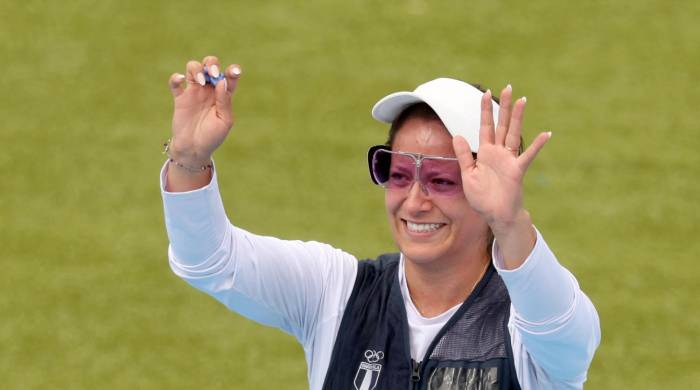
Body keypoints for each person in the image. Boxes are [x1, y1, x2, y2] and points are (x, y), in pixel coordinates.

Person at [161, 55, 601, 390]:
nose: (414, 201)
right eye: (398, 172)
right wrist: (189, 160)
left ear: (487, 191)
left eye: (441, 179)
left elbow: (564, 330)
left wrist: (510, 223)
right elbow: (210, 261)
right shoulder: (334, 291)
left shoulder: (528, 326)